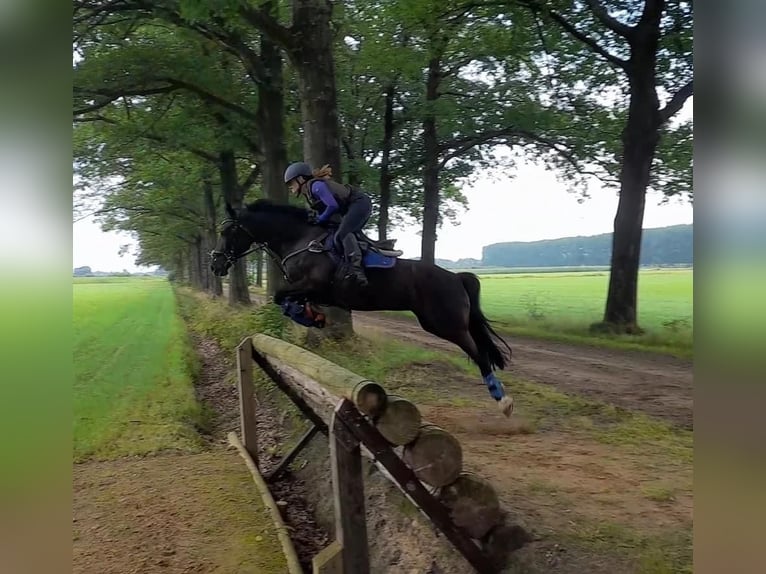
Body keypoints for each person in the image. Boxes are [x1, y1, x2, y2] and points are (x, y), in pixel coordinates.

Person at [283, 161, 371, 287]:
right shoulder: (309, 192)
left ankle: (357, 271)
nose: (290, 187)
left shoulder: (315, 186)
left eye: (291, 183)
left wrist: (320, 219)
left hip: (360, 204)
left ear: (301, 179)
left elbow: (332, 205)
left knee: (342, 234)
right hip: (351, 208)